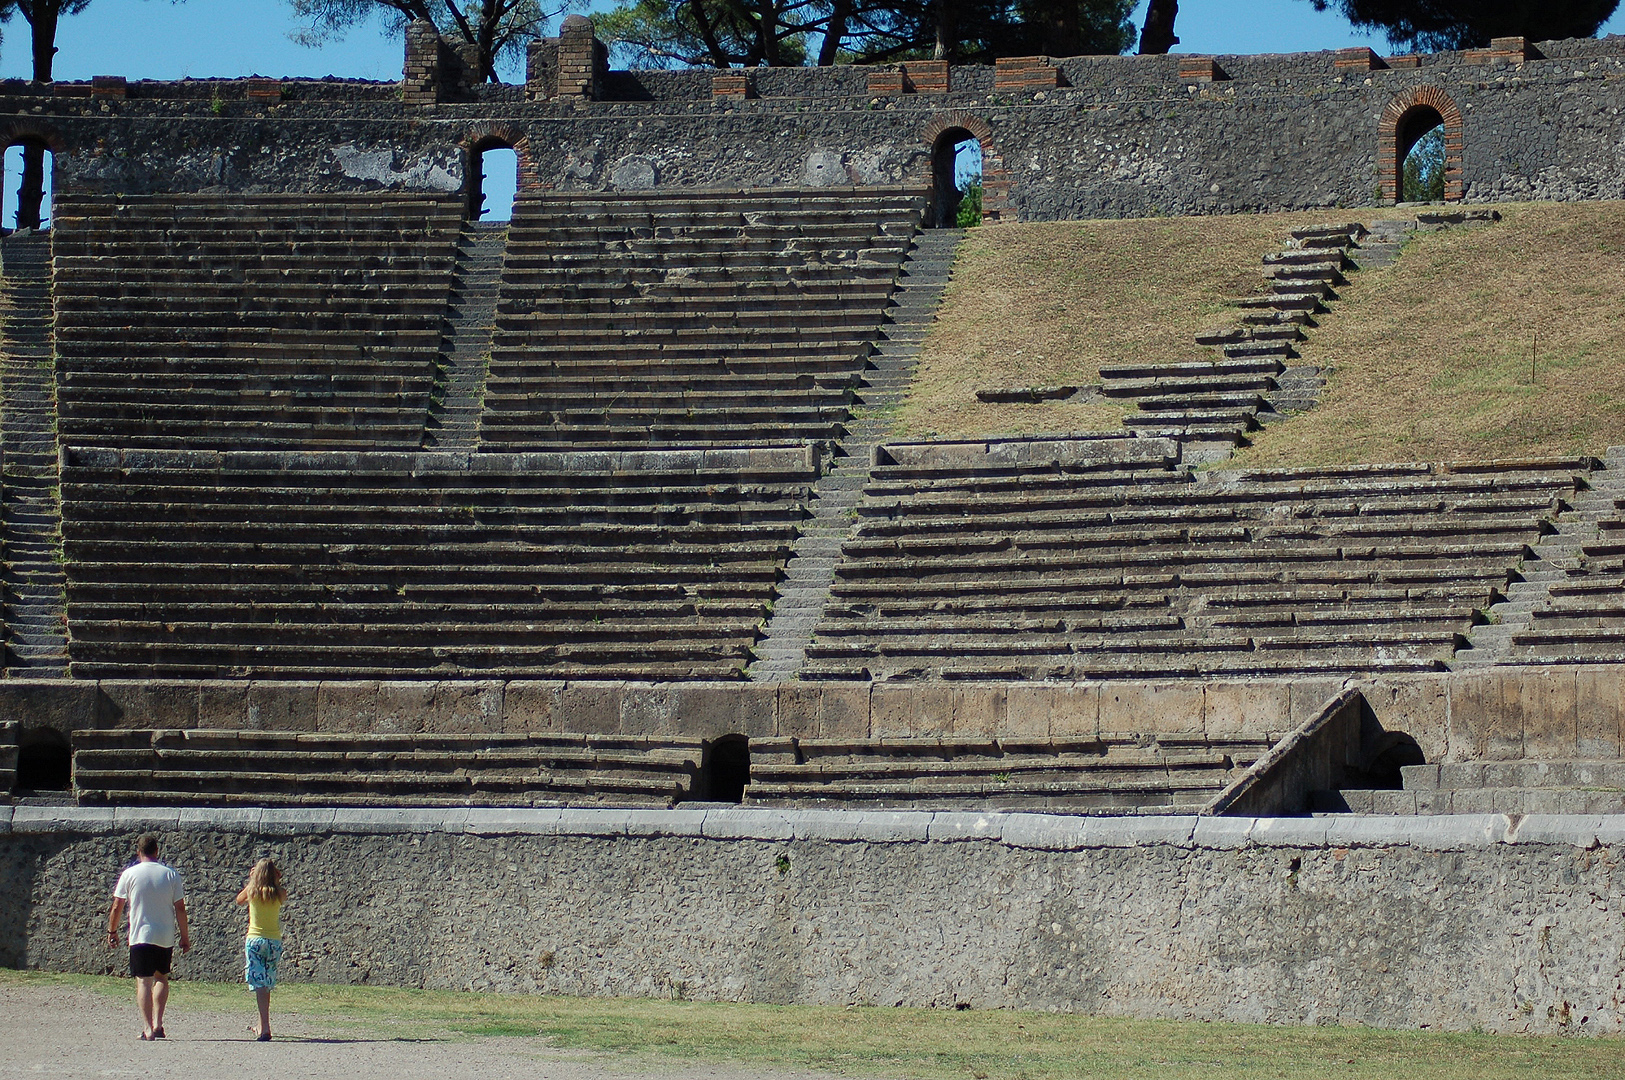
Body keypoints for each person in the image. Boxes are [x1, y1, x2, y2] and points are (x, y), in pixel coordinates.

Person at [106, 834, 190, 1041]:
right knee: (161, 977)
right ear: (157, 851)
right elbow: (180, 908)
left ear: (138, 852)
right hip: (164, 934)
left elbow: (118, 906)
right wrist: (184, 936)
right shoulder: (171, 874)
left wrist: (112, 930)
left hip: (140, 934)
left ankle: (147, 1027)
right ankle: (159, 1024)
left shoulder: (129, 874)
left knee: (143, 981)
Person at [234, 858, 287, 1042]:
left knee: (260, 985)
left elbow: (238, 900)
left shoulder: (252, 891)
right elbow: (279, 886)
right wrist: (276, 877)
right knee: (267, 983)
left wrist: (252, 880)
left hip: (255, 939)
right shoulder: (279, 893)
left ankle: (264, 1027)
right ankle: (262, 1023)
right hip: (273, 941)